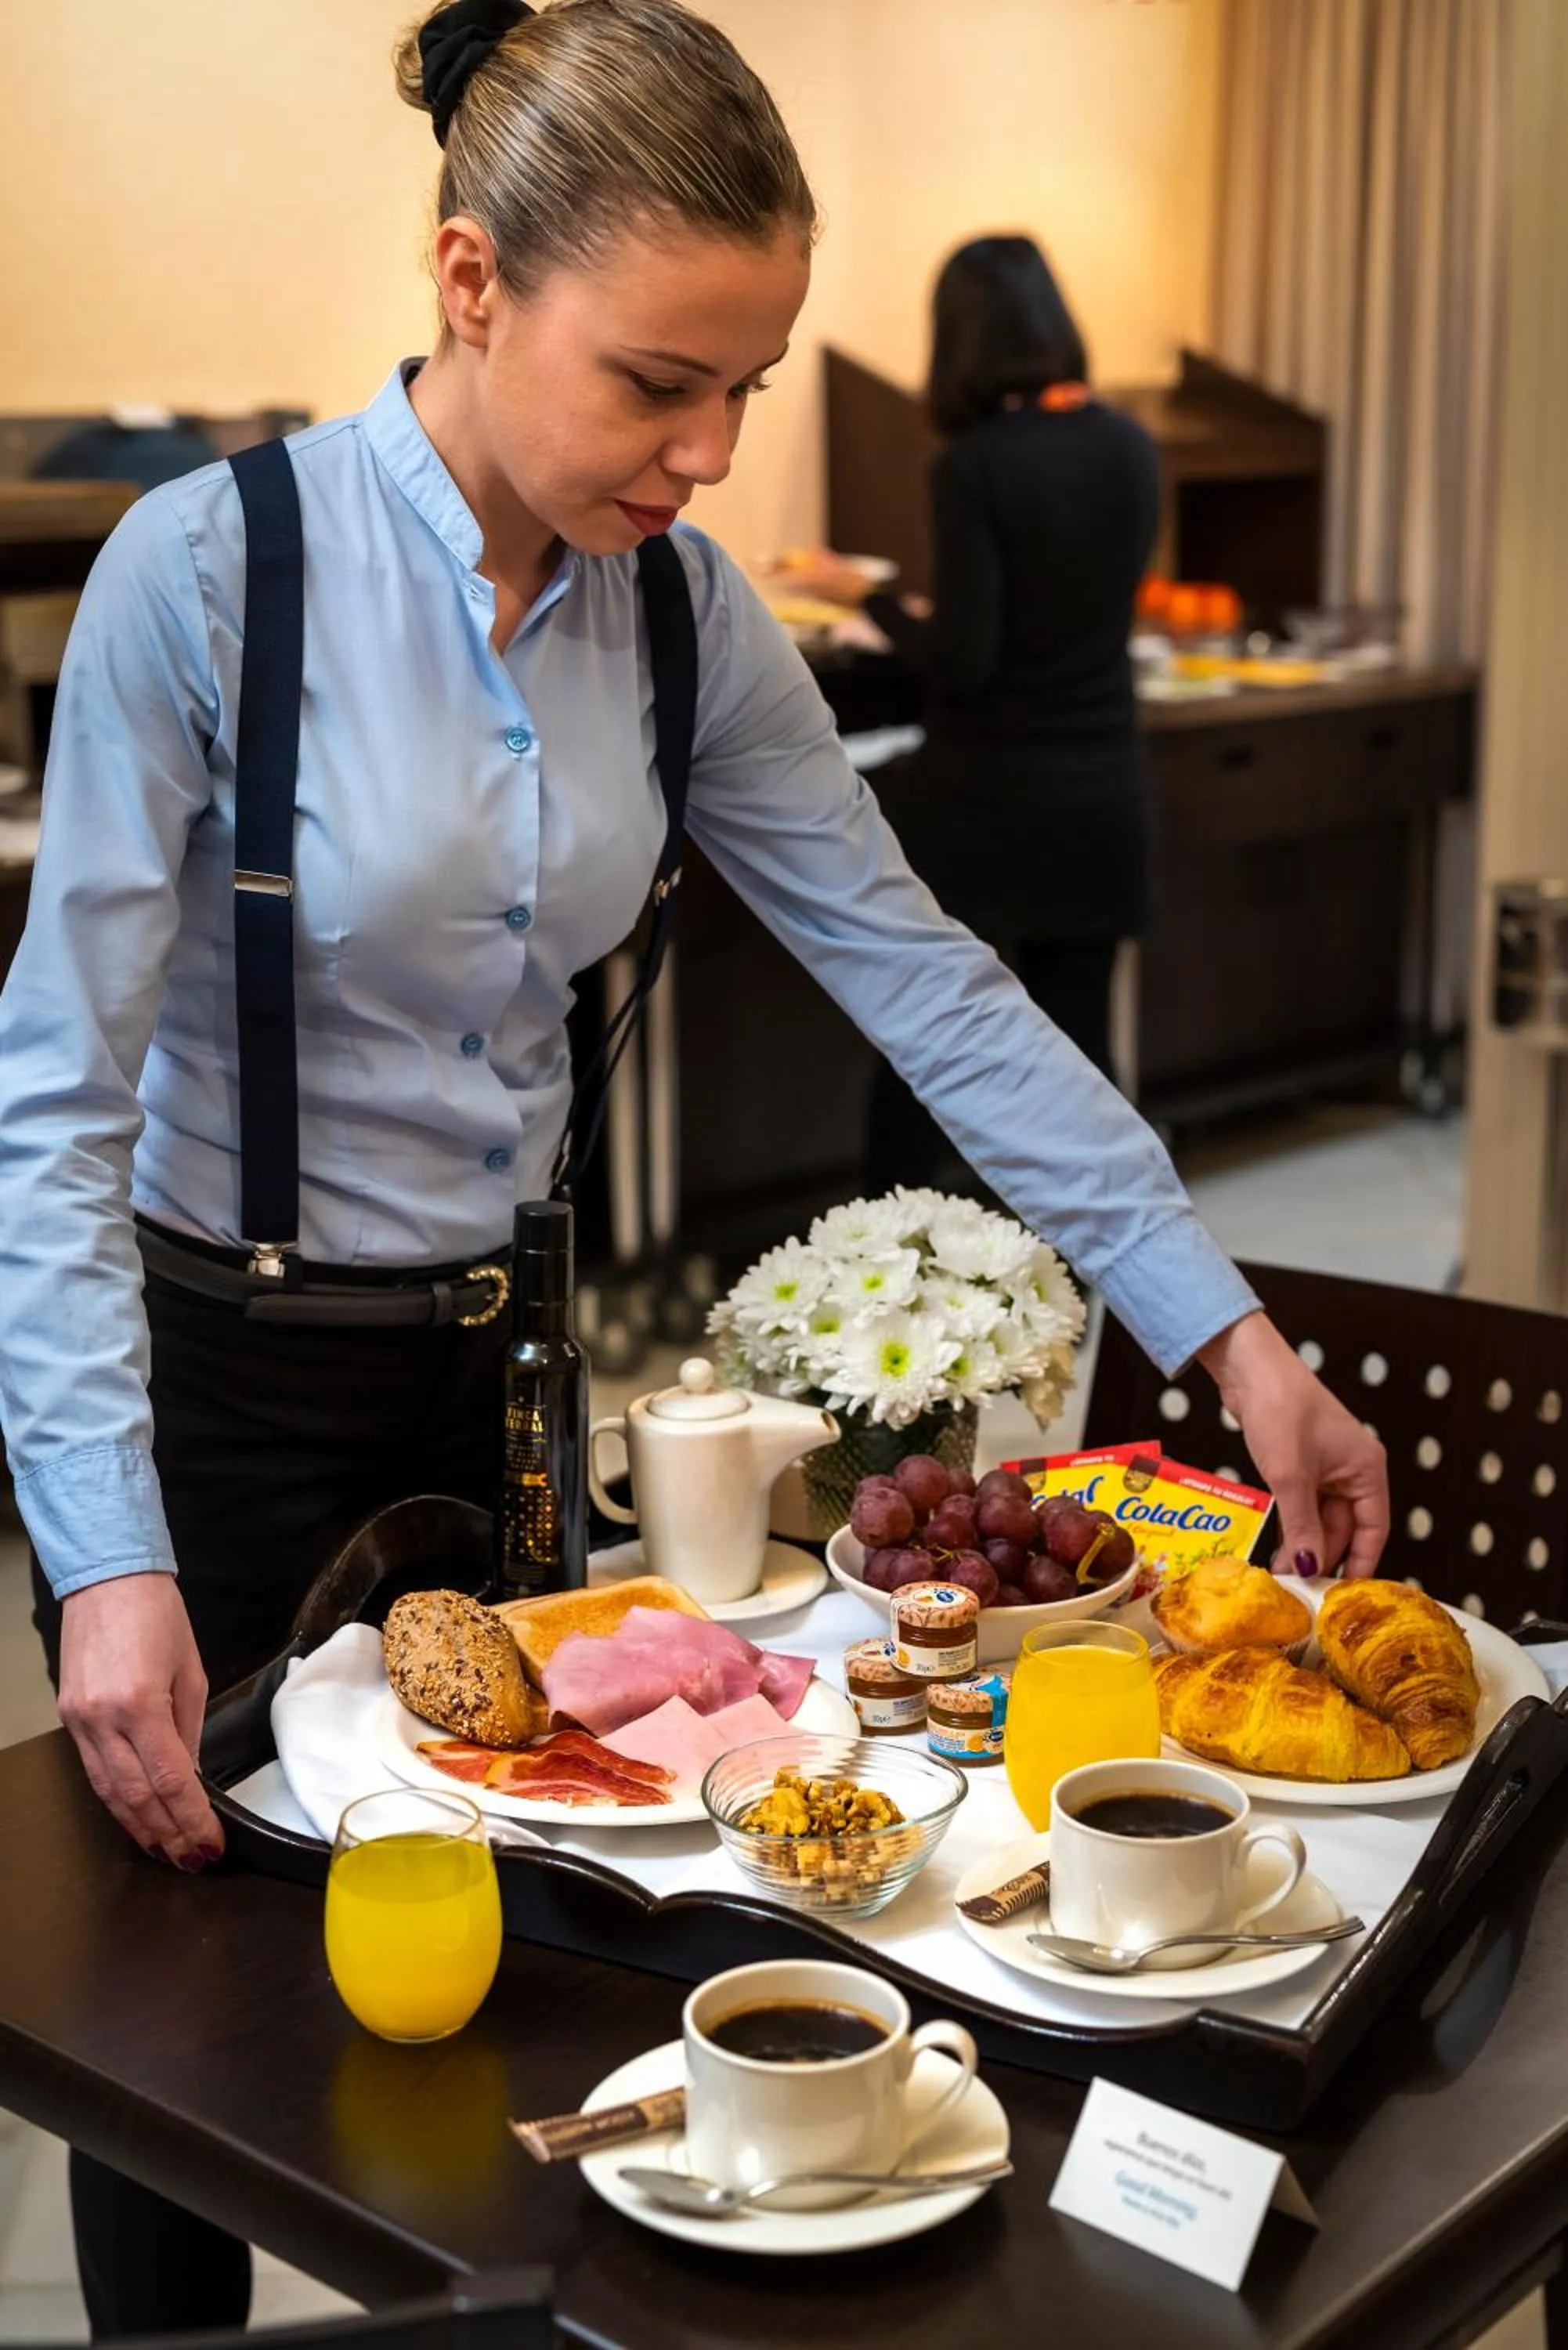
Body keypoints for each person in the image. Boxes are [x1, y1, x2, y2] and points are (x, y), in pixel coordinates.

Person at [0, 2, 1386, 2334]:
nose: (713, 451)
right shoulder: (204, 574)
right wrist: (98, 1545)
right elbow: (47, 1099)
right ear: (469, 284)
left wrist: (1223, 1329)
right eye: (659, 381)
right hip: (212, 1369)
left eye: (746, 384)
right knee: (191, 2028)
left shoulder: (677, 614)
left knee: (551, 1938)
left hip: (504, 1364)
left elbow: (924, 980)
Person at [783, 235, 1159, 1182]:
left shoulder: (976, 466)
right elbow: (1065, 608)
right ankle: (1085, 1277)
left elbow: (968, 659)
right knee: (1078, 1053)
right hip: (1105, 794)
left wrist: (857, 596)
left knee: (933, 1039)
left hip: (993, 799)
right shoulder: (1129, 447)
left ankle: (895, 1254)